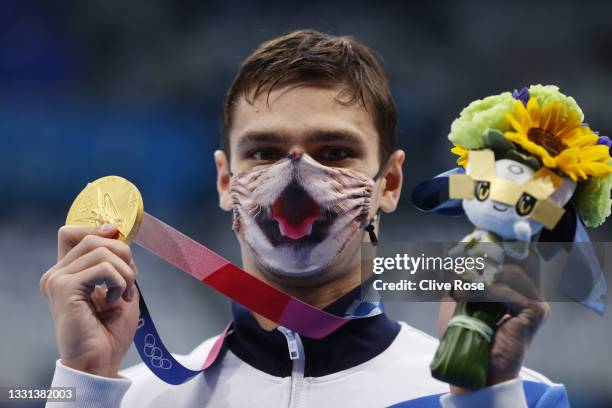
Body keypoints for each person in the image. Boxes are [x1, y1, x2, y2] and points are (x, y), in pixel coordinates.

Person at [41, 29, 568, 407]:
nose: (297, 171)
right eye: (265, 152)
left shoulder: (522, 395)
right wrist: (83, 384)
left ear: (389, 183)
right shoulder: (128, 398)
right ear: (225, 181)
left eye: (335, 152)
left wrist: (483, 397)